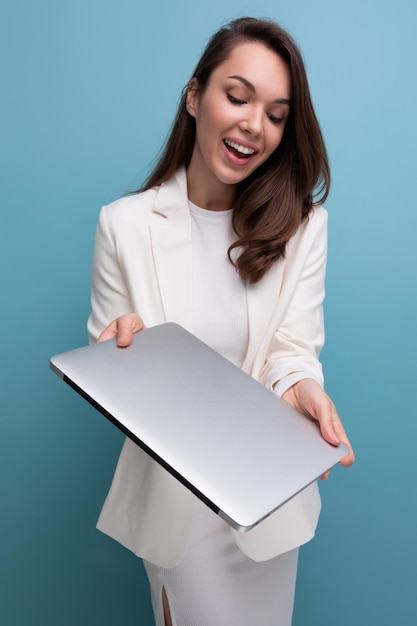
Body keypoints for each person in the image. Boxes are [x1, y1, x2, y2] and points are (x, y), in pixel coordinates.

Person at [87, 16, 355, 626]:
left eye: (277, 114)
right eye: (237, 96)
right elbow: (108, 349)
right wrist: (120, 352)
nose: (254, 125)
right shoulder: (122, 225)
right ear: (194, 96)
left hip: (265, 507)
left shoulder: (303, 227)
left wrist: (303, 388)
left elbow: (290, 350)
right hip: (176, 508)